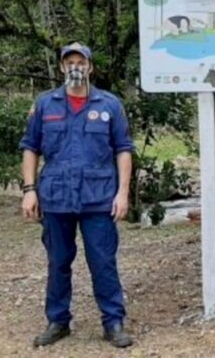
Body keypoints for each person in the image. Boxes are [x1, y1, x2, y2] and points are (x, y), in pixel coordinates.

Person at [19, 42, 135, 348]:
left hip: (99, 198)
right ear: (61, 67)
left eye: (80, 61)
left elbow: (124, 150)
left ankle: (113, 322)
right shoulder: (45, 105)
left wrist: (123, 193)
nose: (75, 67)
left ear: (90, 67)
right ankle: (58, 320)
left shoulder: (110, 105)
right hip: (56, 198)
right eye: (69, 61)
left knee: (103, 261)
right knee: (58, 261)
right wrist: (29, 190)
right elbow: (30, 147)